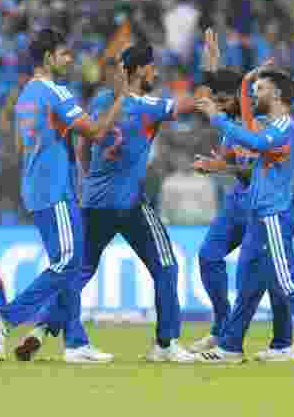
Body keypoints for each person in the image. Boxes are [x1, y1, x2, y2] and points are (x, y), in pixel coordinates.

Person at [16, 43, 199, 363]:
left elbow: (85, 143)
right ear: (140, 70)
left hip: (94, 201)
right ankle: (166, 344)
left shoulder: (102, 101)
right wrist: (209, 69)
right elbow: (192, 103)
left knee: (79, 272)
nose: (155, 72)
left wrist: (87, 177)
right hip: (129, 202)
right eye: (152, 67)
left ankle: (42, 329)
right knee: (166, 266)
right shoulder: (147, 105)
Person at [0, 28, 128, 364]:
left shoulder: (25, 95)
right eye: (65, 54)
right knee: (67, 262)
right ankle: (6, 316)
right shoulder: (56, 92)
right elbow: (94, 131)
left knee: (70, 265)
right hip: (55, 190)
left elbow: (19, 145)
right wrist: (123, 97)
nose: (70, 59)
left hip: (36, 187)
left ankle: (76, 343)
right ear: (49, 57)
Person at [193, 64, 294, 365]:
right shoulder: (268, 123)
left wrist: (217, 118)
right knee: (248, 283)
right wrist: (247, 78)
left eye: (259, 90)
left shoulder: (284, 127)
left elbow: (255, 143)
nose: (253, 96)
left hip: (274, 215)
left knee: (287, 282)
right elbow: (247, 120)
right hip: (259, 214)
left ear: (276, 94)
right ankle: (230, 347)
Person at [188, 29, 294, 362]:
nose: (218, 107)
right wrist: (210, 63)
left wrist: (221, 168)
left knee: (271, 273)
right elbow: (233, 160)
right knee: (208, 256)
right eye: (217, 102)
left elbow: (255, 169)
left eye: (224, 101)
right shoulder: (231, 121)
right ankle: (223, 328)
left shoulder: (262, 121)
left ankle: (281, 342)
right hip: (239, 201)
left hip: (267, 200)